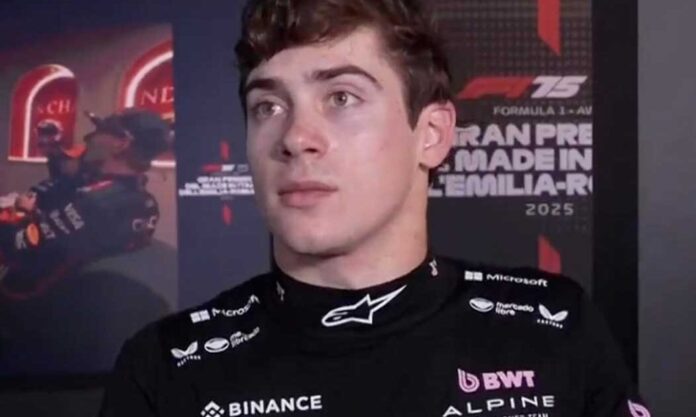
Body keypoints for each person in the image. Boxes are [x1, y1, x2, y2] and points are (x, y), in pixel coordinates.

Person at [100, 1, 651, 416]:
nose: (295, 138)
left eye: (341, 97)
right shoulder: (167, 369)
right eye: (268, 106)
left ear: (431, 134)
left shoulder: (555, 328)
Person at [0, 109, 169, 300]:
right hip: (93, 294)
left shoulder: (95, 203)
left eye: (100, 130)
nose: (88, 138)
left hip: (35, 296)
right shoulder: (146, 202)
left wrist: (22, 212)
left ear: (121, 143)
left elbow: (18, 245)